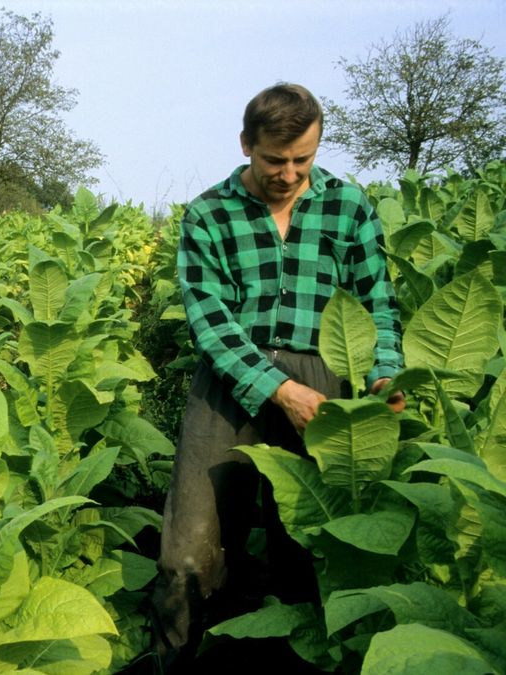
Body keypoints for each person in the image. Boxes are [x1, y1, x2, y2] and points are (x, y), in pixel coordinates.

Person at [151, 83, 405, 669]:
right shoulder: (209, 214)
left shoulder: (349, 207)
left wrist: (384, 376)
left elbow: (378, 304)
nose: (289, 175)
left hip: (326, 377)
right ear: (246, 145)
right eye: (274, 160)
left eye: (302, 160)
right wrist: (280, 389)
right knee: (189, 554)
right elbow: (211, 322)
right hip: (232, 379)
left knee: (310, 545)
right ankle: (177, 662)